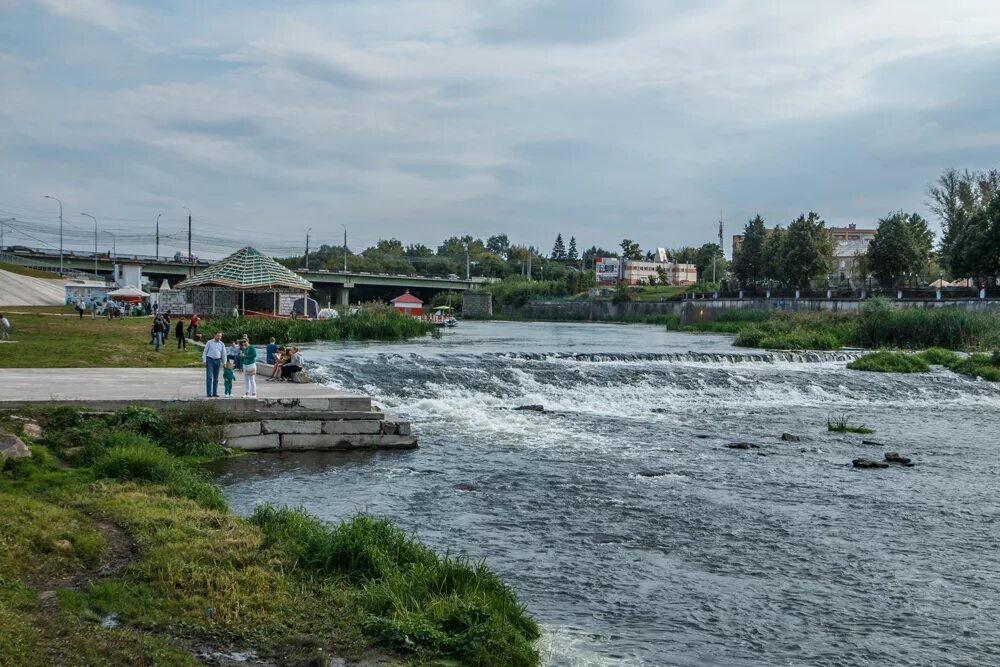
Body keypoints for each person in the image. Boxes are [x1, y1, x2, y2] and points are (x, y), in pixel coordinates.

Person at [202, 331, 226, 398]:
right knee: (209, 377)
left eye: (220, 336)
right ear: (215, 335)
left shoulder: (222, 344)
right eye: (218, 336)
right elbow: (205, 352)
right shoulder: (209, 342)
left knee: (216, 378)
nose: (219, 337)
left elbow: (224, 354)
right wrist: (204, 361)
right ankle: (209, 393)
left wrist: (225, 362)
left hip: (217, 361)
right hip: (210, 360)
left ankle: (215, 392)